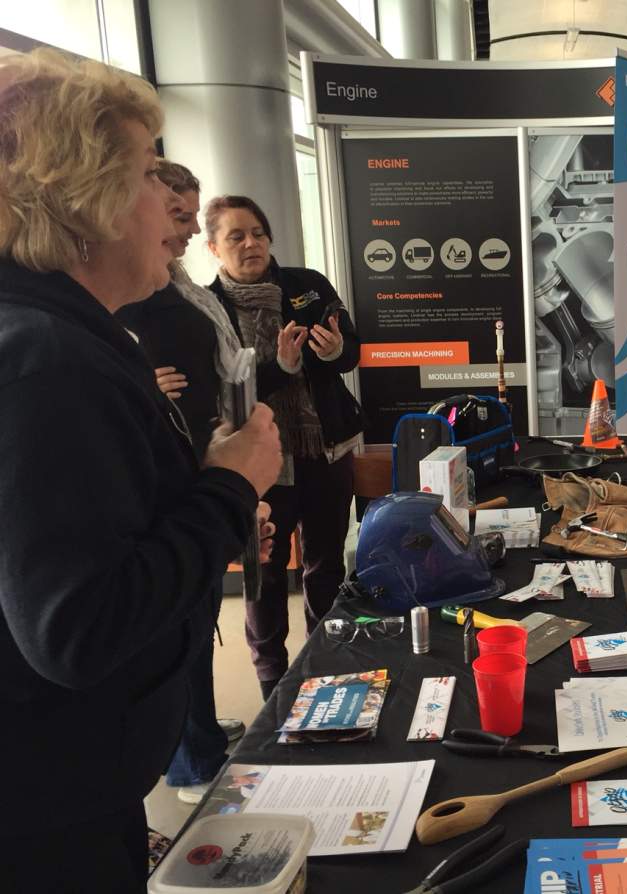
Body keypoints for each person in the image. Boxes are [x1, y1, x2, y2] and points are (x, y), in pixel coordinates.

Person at [0, 49, 281, 891]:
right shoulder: (44, 358)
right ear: (77, 191)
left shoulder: (70, 333)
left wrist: (202, 492)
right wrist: (230, 489)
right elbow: (77, 629)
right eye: (147, 171)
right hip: (47, 818)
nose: (174, 203)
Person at [115, 161, 260, 802]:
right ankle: (192, 761)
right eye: (174, 216)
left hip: (202, 462)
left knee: (197, 624)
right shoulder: (118, 300)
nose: (180, 233)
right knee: (178, 620)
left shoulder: (176, 285)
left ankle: (196, 732)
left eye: (188, 218)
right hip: (175, 482)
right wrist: (142, 388)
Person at [206, 195, 363, 700]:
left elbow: (350, 350)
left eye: (258, 232)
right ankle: (273, 683)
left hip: (324, 454)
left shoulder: (308, 285)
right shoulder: (210, 310)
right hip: (258, 467)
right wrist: (280, 368)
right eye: (236, 236)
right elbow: (223, 394)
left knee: (325, 566)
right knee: (264, 577)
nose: (251, 244)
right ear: (213, 247)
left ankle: (323, 664)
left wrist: (338, 351)